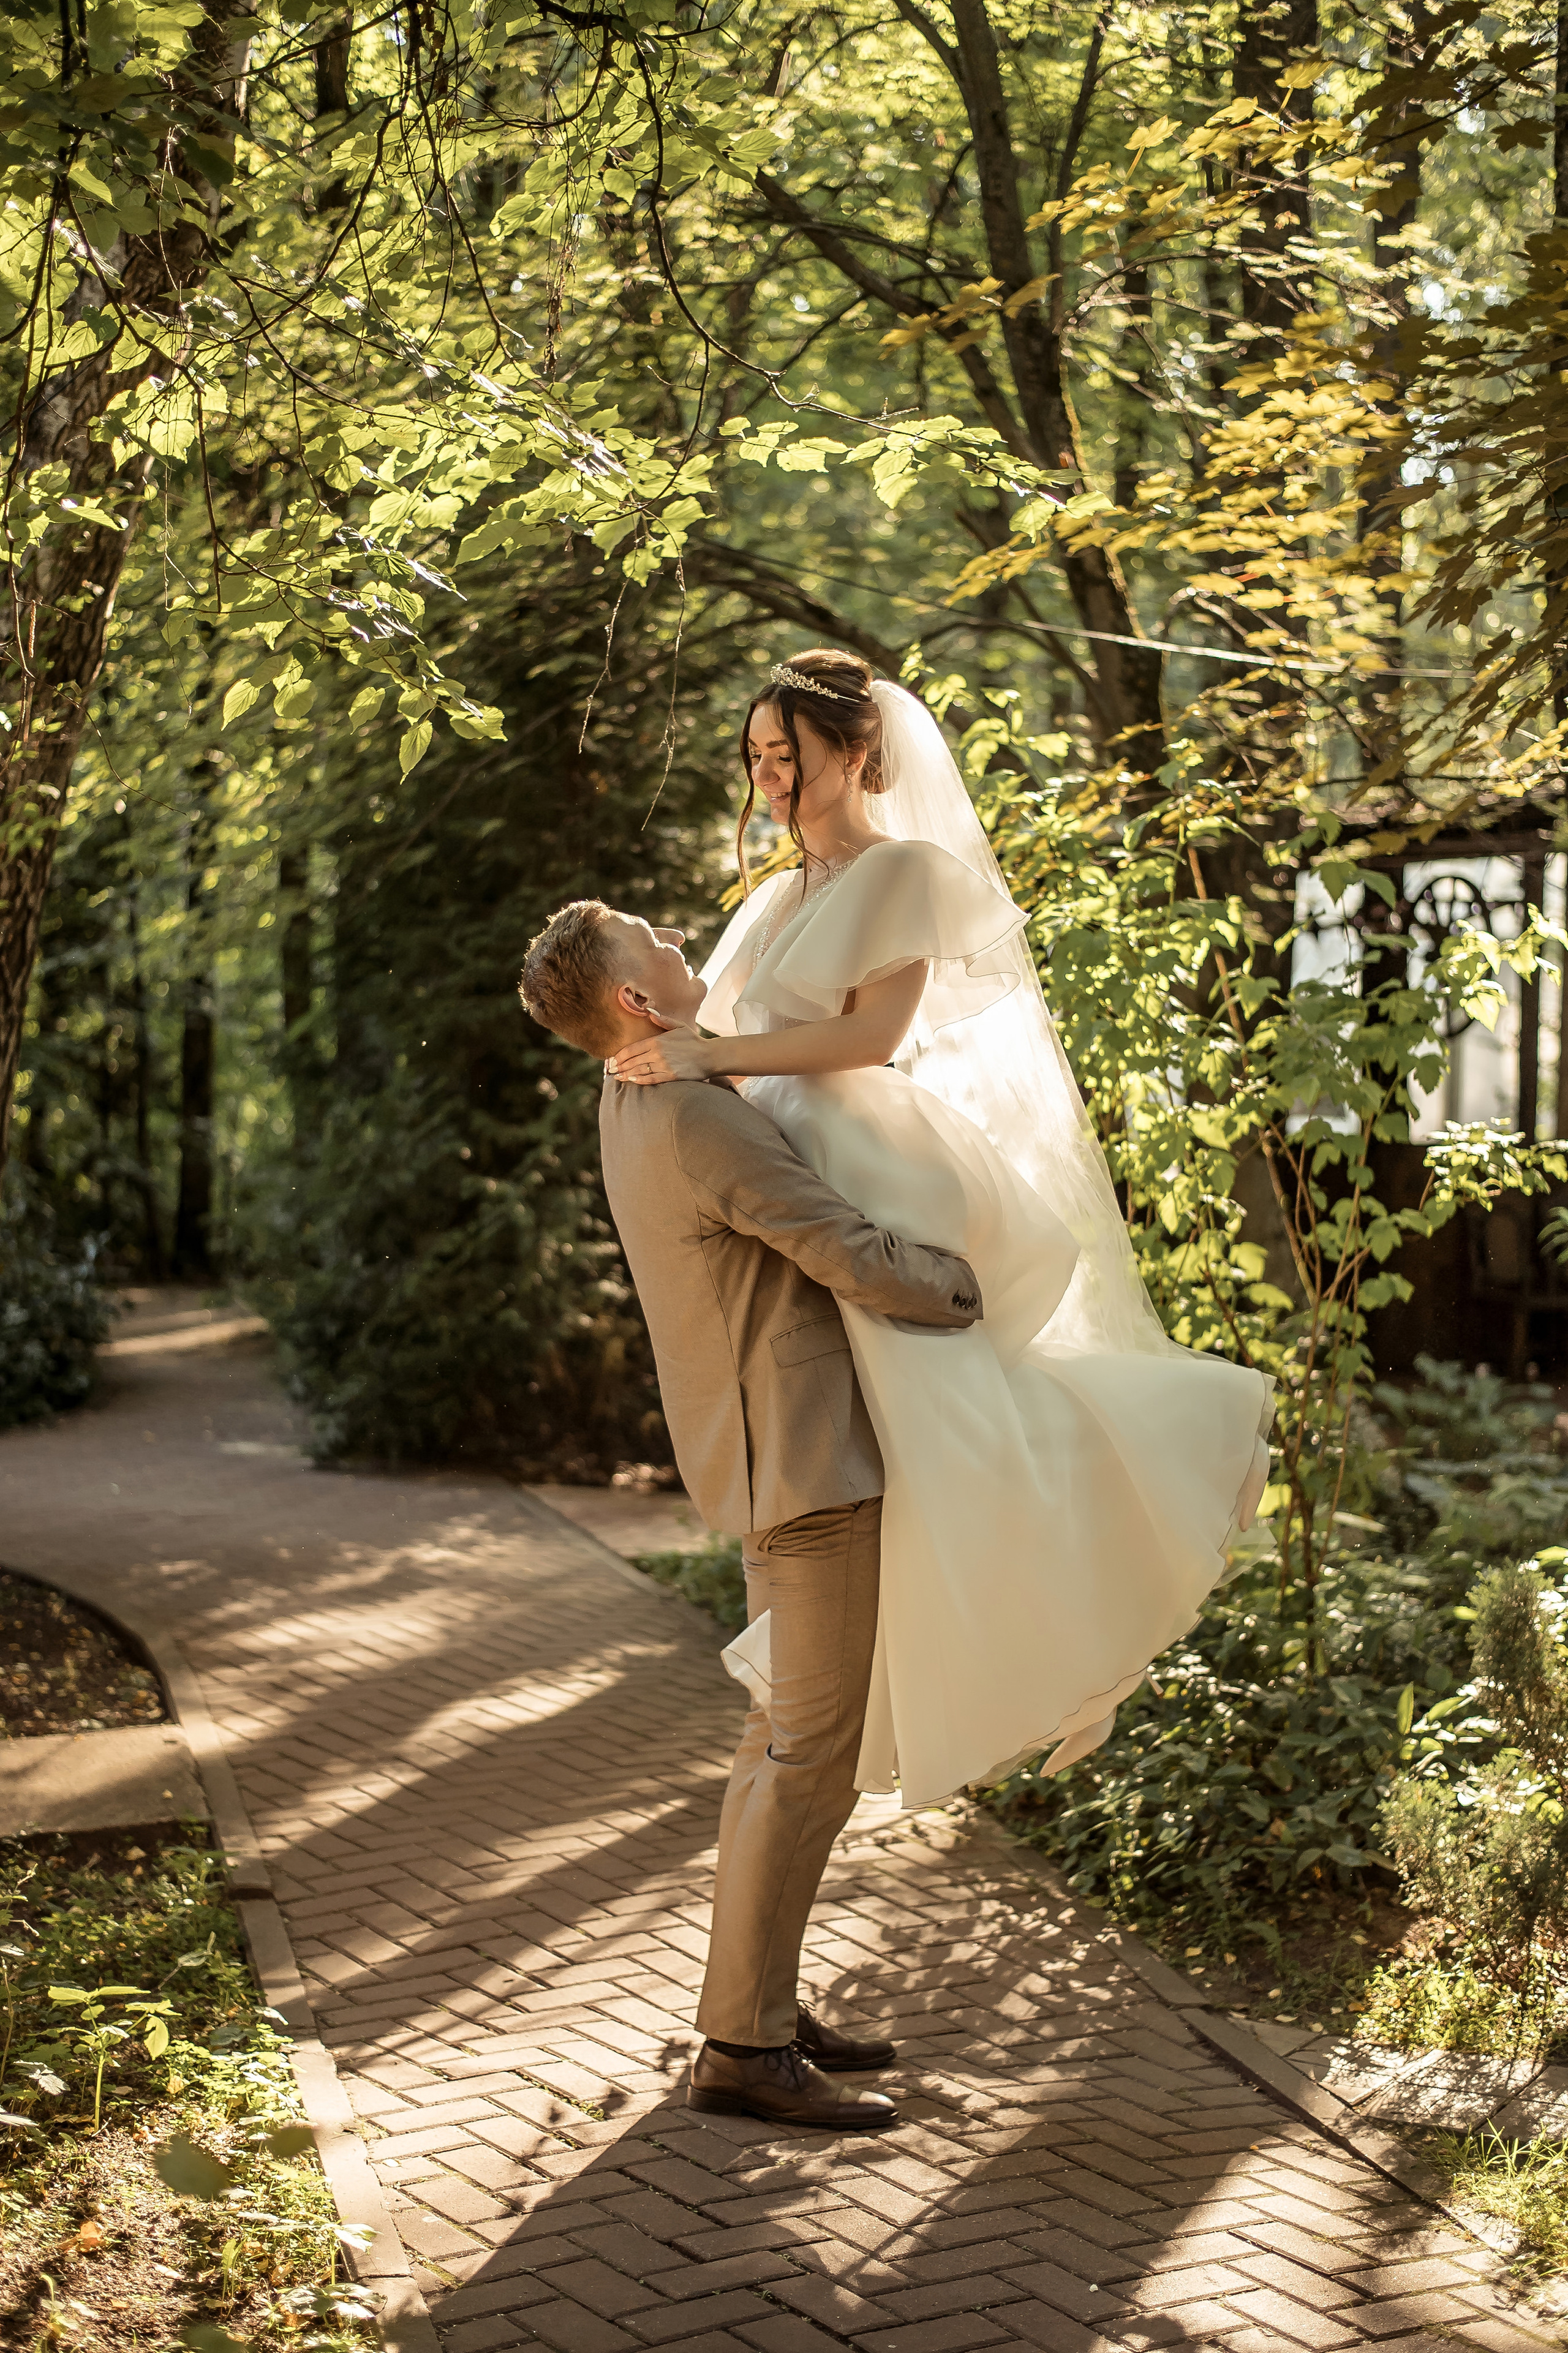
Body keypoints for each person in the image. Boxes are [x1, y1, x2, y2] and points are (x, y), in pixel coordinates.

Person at [606, 649, 1275, 1811]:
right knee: (895, 1448)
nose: (771, 780)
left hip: (869, 1154)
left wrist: (716, 1055)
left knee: (948, 1413)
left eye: (790, 756)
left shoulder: (903, 871)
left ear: (857, 749)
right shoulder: (774, 897)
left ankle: (1180, 1458)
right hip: (786, 1156)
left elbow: (869, 1036)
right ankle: (888, 1665)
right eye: (757, 759)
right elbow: (699, 1015)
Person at [518, 898, 984, 2129]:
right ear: (633, 1000)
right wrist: (970, 1283)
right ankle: (741, 2044)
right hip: (804, 1465)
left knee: (778, 1747)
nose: (677, 941)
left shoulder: (631, 1096)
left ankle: (761, 1999)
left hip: (764, 1450)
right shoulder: (688, 1112)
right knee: (804, 1757)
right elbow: (834, 1242)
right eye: (651, 940)